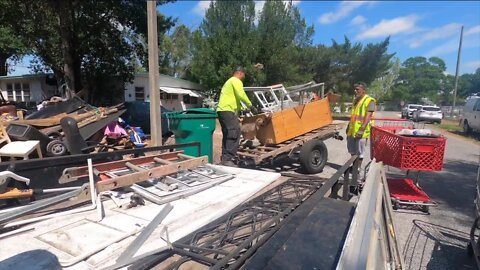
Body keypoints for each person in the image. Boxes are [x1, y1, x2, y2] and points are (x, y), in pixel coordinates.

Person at [216, 66, 255, 166]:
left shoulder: (229, 81)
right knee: (234, 132)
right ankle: (228, 159)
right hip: (227, 110)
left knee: (228, 134)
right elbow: (241, 94)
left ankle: (225, 158)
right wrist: (250, 105)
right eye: (244, 75)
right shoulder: (236, 81)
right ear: (240, 73)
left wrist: (242, 109)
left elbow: (235, 100)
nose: (243, 77)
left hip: (223, 111)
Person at [346, 82, 376, 192]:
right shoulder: (356, 100)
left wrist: (362, 129)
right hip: (353, 130)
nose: (355, 91)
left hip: (361, 131)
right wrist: (349, 126)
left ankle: (357, 169)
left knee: (360, 152)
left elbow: (368, 116)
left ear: (364, 90)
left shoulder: (369, 100)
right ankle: (354, 167)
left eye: (357, 89)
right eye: (354, 89)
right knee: (352, 150)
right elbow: (354, 116)